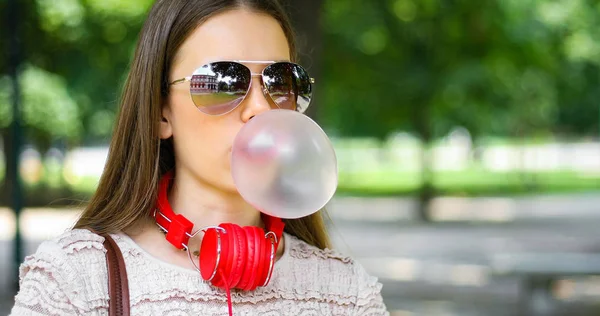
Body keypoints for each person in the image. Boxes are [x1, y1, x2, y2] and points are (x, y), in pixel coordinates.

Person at [10, 0, 389, 315]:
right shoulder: (75, 281)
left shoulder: (345, 292)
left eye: (280, 81)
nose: (260, 107)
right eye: (223, 82)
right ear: (161, 112)